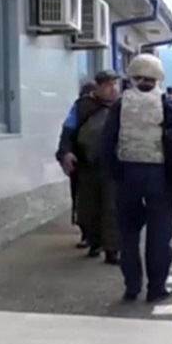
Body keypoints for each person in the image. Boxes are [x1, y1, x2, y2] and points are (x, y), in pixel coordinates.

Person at [100, 54, 172, 303]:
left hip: (127, 175)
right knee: (159, 234)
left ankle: (132, 286)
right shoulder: (168, 103)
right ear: (158, 77)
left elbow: (106, 142)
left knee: (128, 233)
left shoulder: (120, 104)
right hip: (159, 176)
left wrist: (116, 172)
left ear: (131, 75)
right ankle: (156, 288)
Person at [57, 70, 121, 264]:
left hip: (112, 165)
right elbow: (68, 131)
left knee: (112, 207)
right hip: (87, 165)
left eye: (115, 84)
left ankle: (112, 250)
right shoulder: (82, 107)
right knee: (89, 207)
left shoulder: (121, 107)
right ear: (99, 87)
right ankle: (94, 242)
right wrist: (65, 153)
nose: (113, 89)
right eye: (109, 85)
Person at [70, 81, 98, 249]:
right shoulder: (104, 108)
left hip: (80, 162)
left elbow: (68, 131)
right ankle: (93, 237)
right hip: (87, 163)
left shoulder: (78, 109)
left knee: (80, 199)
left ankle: (88, 235)